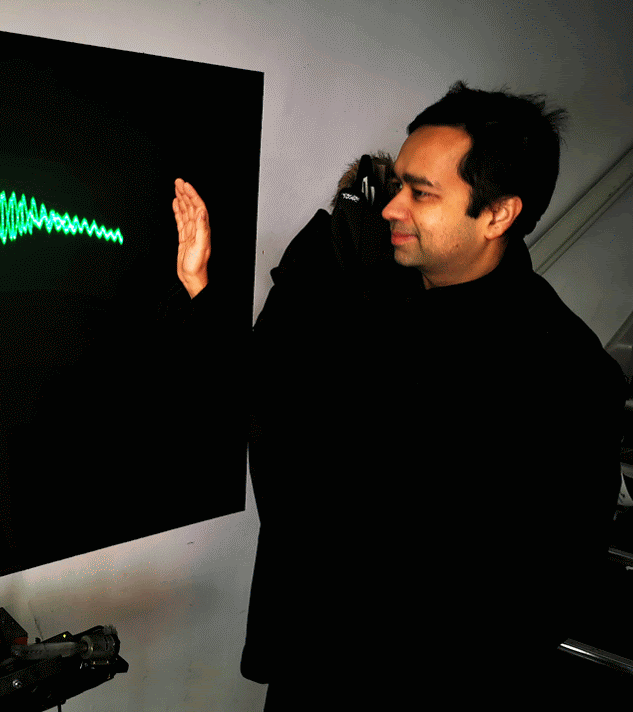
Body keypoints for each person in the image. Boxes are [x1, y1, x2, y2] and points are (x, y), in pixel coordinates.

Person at [172, 81, 628, 706]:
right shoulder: (377, 300)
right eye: (398, 187)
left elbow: (546, 593)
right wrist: (200, 286)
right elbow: (273, 398)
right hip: (313, 664)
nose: (390, 208)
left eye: (421, 193)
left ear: (498, 214)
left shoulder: (565, 375)